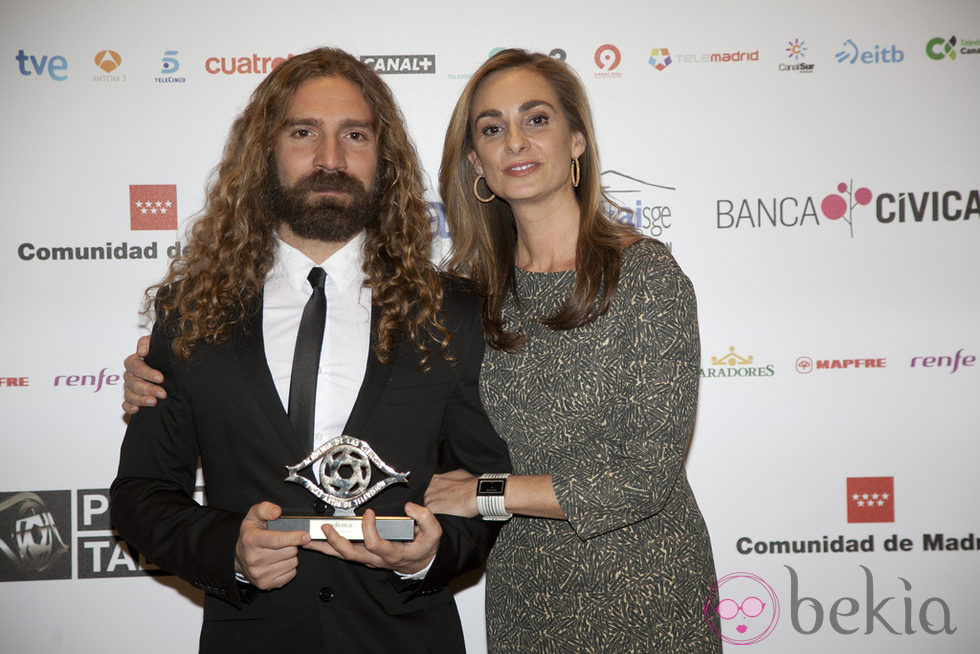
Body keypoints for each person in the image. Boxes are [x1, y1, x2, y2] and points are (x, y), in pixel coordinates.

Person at [111, 47, 510, 654]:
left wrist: (431, 553)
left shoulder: (450, 313)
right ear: (265, 151)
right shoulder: (192, 313)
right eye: (304, 133)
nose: (330, 159)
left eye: (355, 134)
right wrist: (233, 552)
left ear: (384, 159)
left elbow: (483, 488)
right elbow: (140, 498)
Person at [424, 49, 721, 652]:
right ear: (476, 163)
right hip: (523, 591)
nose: (514, 141)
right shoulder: (466, 300)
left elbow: (645, 478)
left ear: (577, 140)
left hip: (649, 589)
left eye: (536, 119)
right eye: (491, 128)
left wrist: (488, 492)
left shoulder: (646, 277)